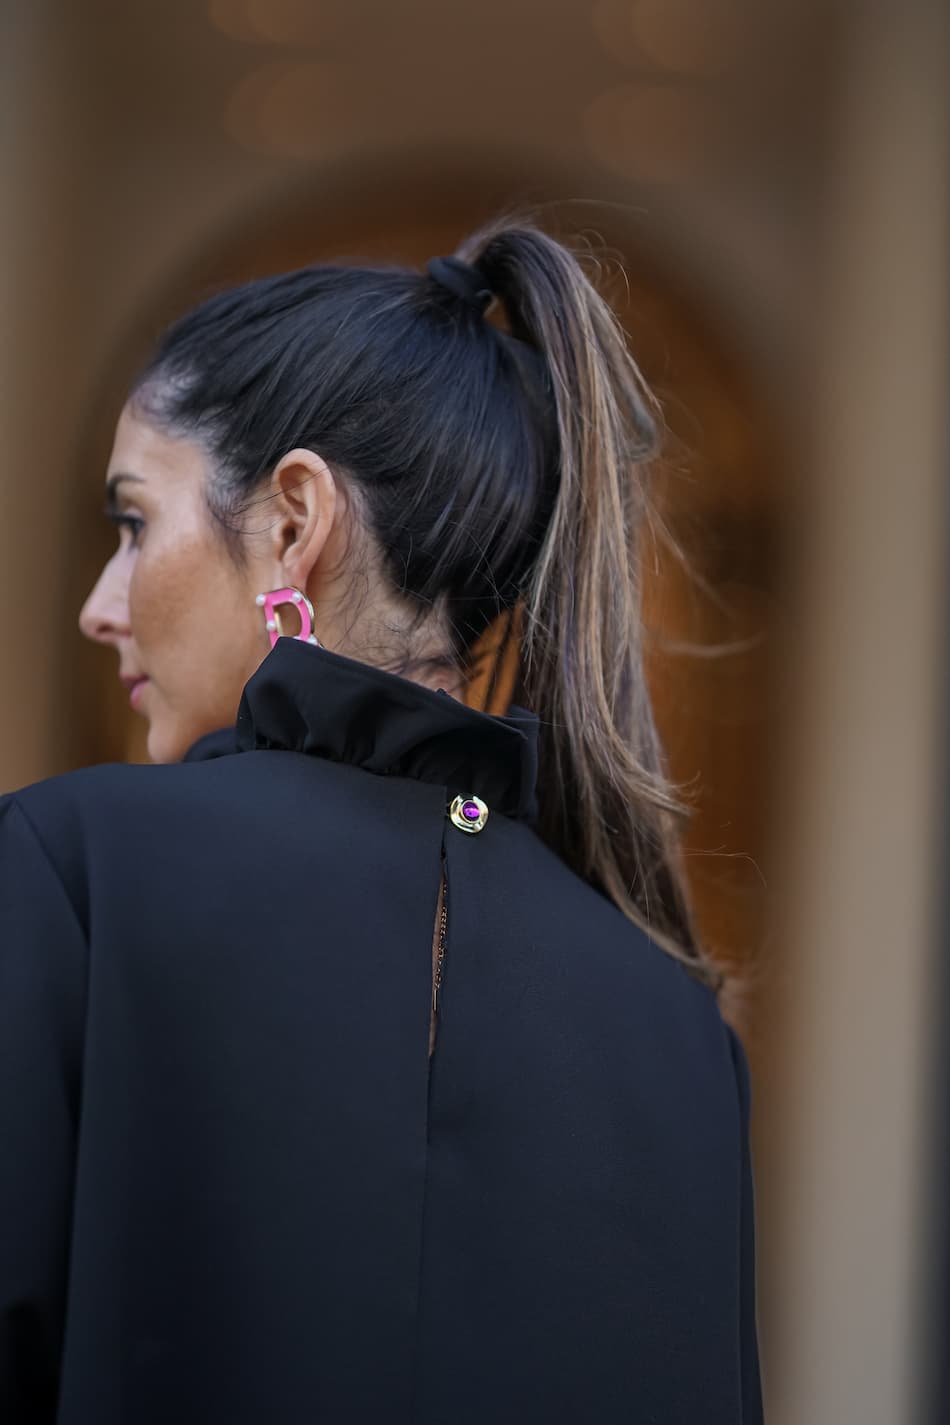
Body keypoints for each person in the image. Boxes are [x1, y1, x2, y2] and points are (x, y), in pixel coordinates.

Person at [0, 218, 764, 1423]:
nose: (104, 605)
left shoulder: (63, 874)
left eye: (135, 523)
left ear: (292, 521)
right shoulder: (677, 1031)